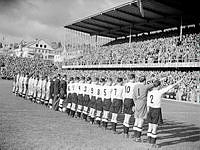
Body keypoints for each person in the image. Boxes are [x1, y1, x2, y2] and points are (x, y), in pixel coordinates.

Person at [146, 78, 182, 148]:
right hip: (156, 110)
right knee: (155, 127)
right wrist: (177, 82)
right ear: (159, 86)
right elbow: (170, 87)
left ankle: (149, 140)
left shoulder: (149, 92)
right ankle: (153, 143)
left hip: (149, 109)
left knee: (150, 126)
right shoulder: (159, 92)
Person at [132, 75, 154, 142]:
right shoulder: (145, 86)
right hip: (142, 102)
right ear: (144, 81)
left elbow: (133, 96)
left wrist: (135, 103)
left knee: (136, 119)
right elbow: (154, 84)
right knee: (141, 120)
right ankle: (138, 137)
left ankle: (135, 135)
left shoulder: (135, 86)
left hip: (136, 102)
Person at [122, 74, 138, 138]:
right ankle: (128, 133)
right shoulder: (134, 84)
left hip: (126, 99)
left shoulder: (125, 84)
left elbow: (123, 94)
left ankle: (125, 132)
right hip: (131, 100)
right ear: (133, 78)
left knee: (126, 116)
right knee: (131, 117)